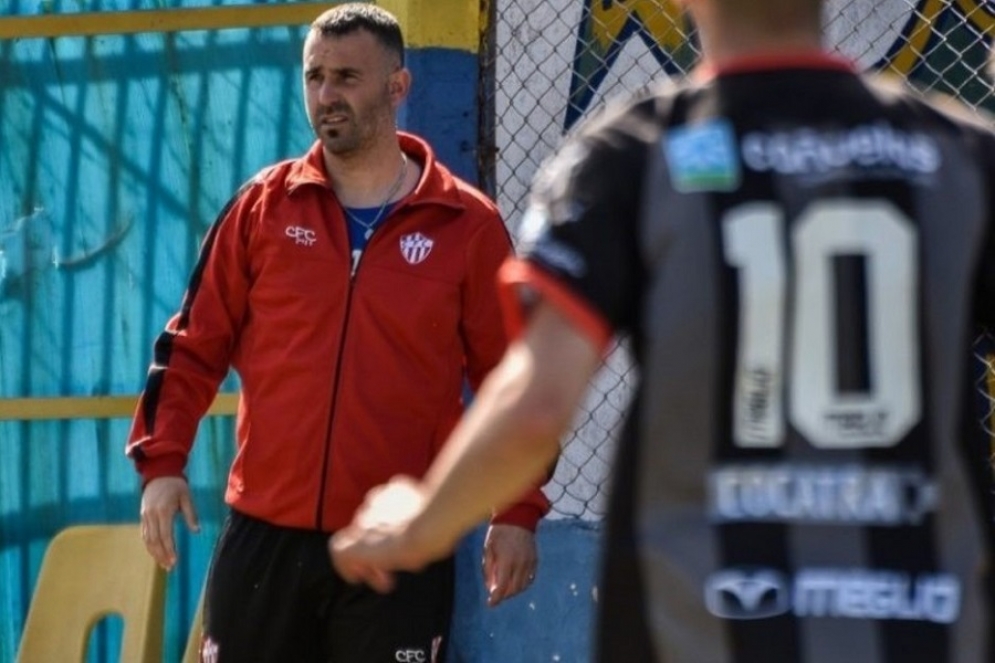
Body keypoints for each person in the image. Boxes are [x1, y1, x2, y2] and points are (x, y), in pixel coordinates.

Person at [330, 0, 995, 661]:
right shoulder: (956, 153)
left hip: (702, 620)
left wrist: (417, 525)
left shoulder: (636, 152)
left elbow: (535, 406)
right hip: (924, 616)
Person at [125, 4, 549, 661]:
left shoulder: (466, 225)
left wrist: (516, 510)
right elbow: (191, 344)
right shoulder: (260, 209)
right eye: (314, 76)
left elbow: (512, 378)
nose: (326, 95)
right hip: (264, 540)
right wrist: (161, 463)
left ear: (397, 87)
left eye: (348, 77)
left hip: (399, 540)